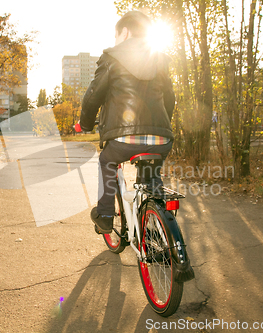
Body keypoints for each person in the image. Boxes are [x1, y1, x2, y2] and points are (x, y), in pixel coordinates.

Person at [79, 11, 175, 234]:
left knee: (107, 161)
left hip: (123, 140)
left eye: (116, 35)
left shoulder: (111, 57)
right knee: (150, 181)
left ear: (125, 31)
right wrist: (161, 127)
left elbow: (93, 95)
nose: (115, 41)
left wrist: (85, 124)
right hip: (161, 138)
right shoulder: (159, 59)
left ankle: (104, 214)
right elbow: (170, 99)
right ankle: (155, 224)